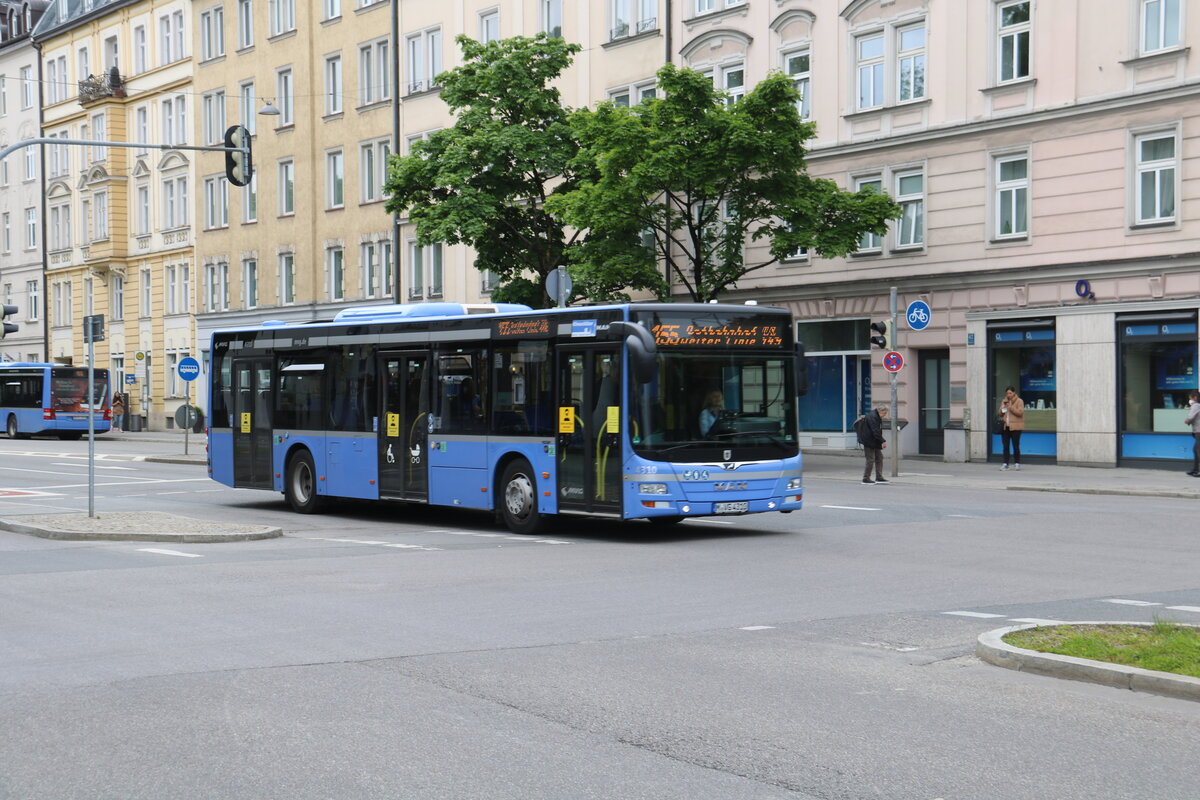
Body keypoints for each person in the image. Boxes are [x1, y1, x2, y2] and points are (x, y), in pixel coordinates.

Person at [857, 405, 889, 484]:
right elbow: (875, 431)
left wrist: (880, 440)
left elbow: (876, 431)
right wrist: (883, 441)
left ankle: (879, 477)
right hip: (869, 441)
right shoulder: (873, 417)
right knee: (870, 459)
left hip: (874, 440)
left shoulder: (875, 415)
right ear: (880, 411)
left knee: (879, 457)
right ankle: (866, 478)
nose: (885, 415)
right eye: (885, 413)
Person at [998, 385, 1025, 470]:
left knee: (1015, 446)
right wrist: (1003, 408)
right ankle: (1005, 464)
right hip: (1006, 427)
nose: (1008, 395)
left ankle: (1017, 463)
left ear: (1014, 393)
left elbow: (1020, 413)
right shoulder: (1004, 401)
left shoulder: (1019, 401)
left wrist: (1011, 407)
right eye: (1007, 393)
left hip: (1016, 427)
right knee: (1005, 446)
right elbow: (1000, 414)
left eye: (1010, 393)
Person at [1185, 391, 1200, 477]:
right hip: (1197, 431)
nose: (1189, 400)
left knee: (1197, 450)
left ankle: (1197, 470)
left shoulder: (1196, 405)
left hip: (1199, 431)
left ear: (1194, 398)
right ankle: (1195, 470)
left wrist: (1187, 421)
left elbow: (1190, 417)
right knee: (1196, 450)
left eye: (1190, 398)